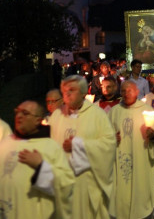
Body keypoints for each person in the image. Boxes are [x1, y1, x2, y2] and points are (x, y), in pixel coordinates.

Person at [50, 75, 116, 219]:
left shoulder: (97, 114)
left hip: (86, 182)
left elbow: (109, 144)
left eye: (71, 90)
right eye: (64, 90)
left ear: (83, 92)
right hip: (62, 182)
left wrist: (80, 144)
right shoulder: (56, 116)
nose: (67, 94)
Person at [0, 100, 74, 219]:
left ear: (38, 120)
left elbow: (66, 185)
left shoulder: (50, 147)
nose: (19, 116)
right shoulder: (5, 143)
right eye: (17, 112)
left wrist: (41, 167)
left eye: (25, 113)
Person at [108, 81, 154, 219]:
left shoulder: (147, 111)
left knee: (141, 198)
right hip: (120, 162)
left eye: (129, 90)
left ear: (136, 92)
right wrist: (111, 139)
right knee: (120, 200)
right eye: (123, 90)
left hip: (142, 162)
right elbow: (104, 136)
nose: (126, 93)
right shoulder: (114, 111)